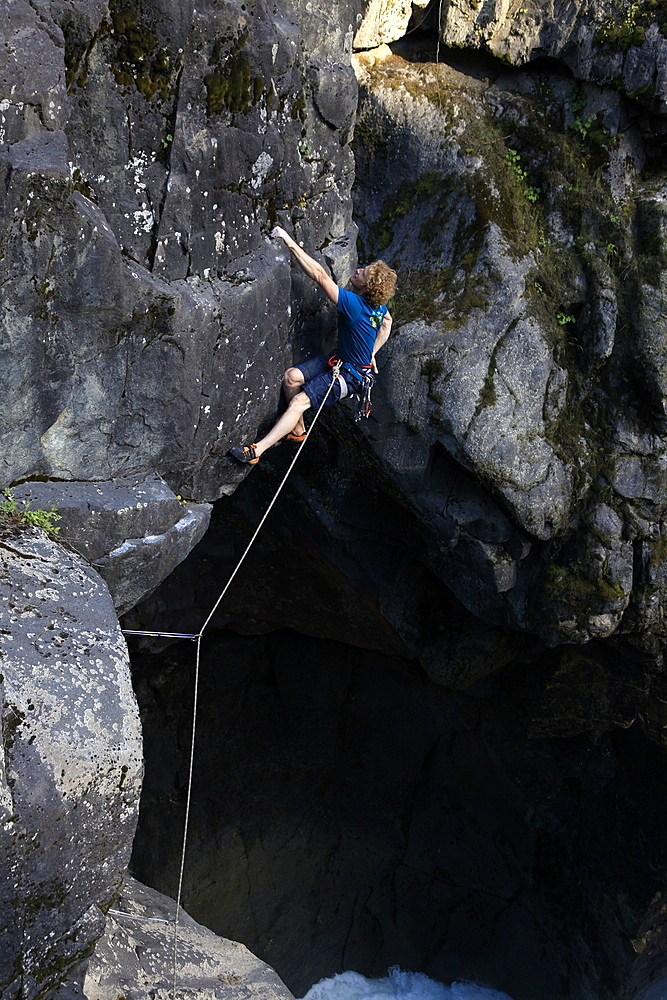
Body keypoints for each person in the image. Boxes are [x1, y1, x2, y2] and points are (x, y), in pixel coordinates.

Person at [229, 226, 397, 464]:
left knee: (299, 401)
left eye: (363, 273)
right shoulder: (378, 308)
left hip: (349, 377)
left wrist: (288, 240)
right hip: (340, 360)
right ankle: (297, 431)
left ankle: (256, 451)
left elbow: (319, 275)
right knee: (291, 378)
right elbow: (387, 323)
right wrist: (371, 353)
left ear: (366, 287)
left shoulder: (354, 304)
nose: (358, 270)